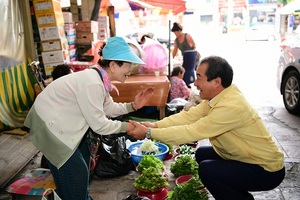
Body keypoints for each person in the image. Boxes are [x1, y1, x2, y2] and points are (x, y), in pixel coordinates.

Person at [128, 56, 285, 200]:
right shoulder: (219, 96)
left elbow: (191, 131)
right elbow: (187, 116)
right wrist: (155, 125)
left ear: (216, 82)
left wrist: (148, 133)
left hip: (266, 170)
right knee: (202, 154)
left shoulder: (230, 107)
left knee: (207, 170)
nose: (195, 83)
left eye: (199, 78)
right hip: (244, 156)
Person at [24, 36, 154, 200]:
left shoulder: (99, 78)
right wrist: (128, 127)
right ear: (113, 65)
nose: (131, 69)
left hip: (63, 125)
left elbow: (108, 107)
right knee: (77, 174)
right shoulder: (93, 82)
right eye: (128, 64)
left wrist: (133, 106)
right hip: (49, 127)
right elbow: (100, 125)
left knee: (78, 174)